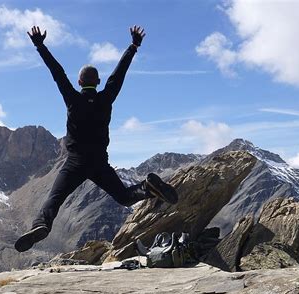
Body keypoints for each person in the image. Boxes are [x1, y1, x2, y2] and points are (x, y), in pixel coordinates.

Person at [15, 25, 178, 253]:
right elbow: (118, 75)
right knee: (124, 197)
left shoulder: (73, 99)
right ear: (98, 82)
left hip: (75, 162)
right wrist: (133, 46)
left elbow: (57, 73)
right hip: (99, 162)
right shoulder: (106, 99)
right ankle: (147, 187)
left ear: (80, 82)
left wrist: (40, 46)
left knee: (54, 198)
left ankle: (41, 225)